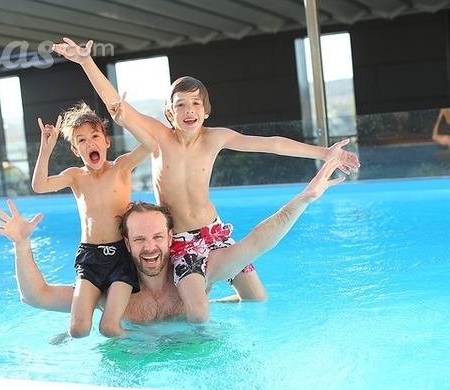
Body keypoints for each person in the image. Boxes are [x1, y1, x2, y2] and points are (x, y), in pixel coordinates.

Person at [52, 38, 361, 323]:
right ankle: (199, 301)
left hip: (214, 230)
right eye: (180, 105)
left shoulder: (216, 138)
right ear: (170, 114)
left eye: (196, 103)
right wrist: (86, 62)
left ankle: (215, 297)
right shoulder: (159, 137)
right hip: (182, 240)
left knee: (256, 298)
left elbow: (271, 143)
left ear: (206, 111)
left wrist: (323, 152)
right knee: (198, 315)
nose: (189, 110)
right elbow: (115, 104)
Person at [0, 157, 346, 330]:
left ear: (171, 238)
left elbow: (256, 243)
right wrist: (21, 246)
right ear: (127, 244)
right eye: (140, 238)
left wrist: (304, 199)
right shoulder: (109, 292)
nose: (150, 247)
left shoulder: (197, 274)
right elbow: (35, 297)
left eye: (158, 237)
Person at [29, 101, 155, 338]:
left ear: (107, 141)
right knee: (77, 330)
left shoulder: (121, 167)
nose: (90, 143)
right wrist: (46, 149)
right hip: (90, 257)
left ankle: (147, 343)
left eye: (95, 136)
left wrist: (125, 120)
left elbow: (151, 143)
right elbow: (39, 186)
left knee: (108, 328)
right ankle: (82, 315)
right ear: (76, 151)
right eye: (81, 140)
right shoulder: (76, 176)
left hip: (121, 257)